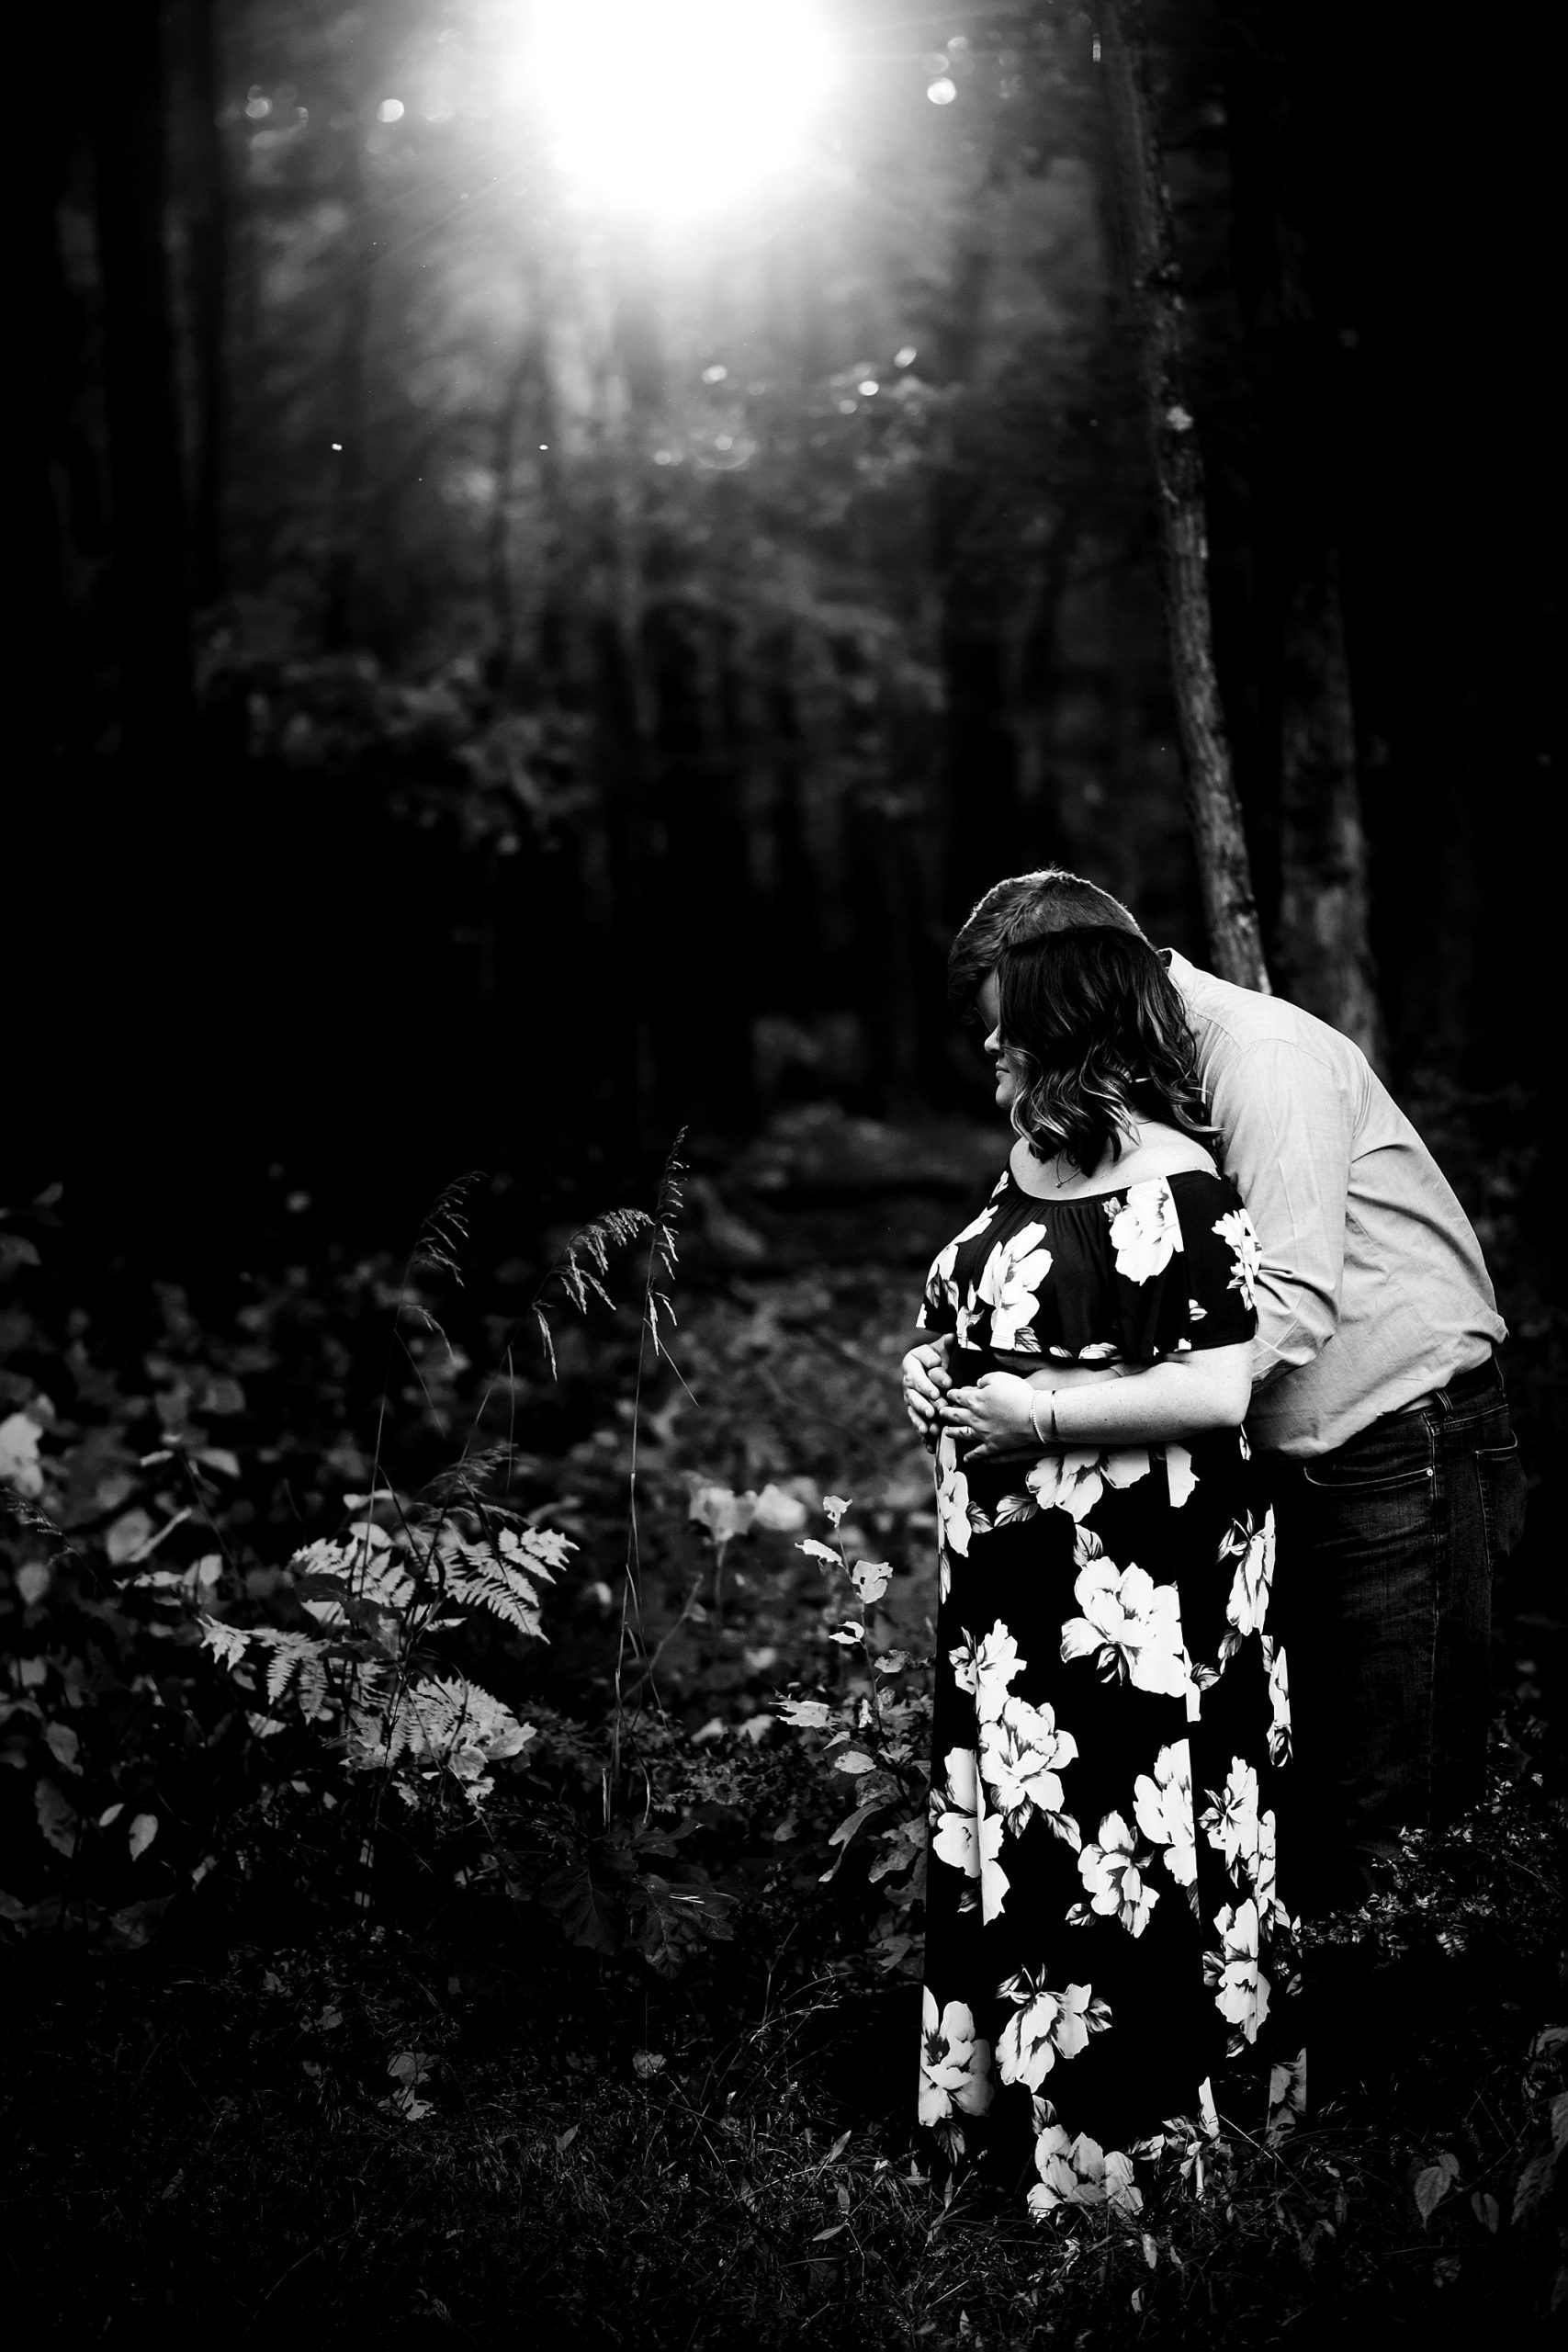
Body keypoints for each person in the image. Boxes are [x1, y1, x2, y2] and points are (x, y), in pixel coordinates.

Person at [907, 866, 1526, 1920]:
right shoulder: (1114, 1078)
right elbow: (1081, 1263)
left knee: (1391, 1802)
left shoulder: (1261, 1060)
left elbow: (1277, 1307)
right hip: (1256, 1464)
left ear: (1083, 985)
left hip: (1392, 1437)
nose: (1006, 1066)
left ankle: (1429, 2076)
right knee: (1285, 1786)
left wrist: (1062, 1401)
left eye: (1019, 1033)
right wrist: (963, 1357)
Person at [909, 923, 1292, 2208]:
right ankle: (1006, 2104)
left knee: (1119, 1833)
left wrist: (1039, 1421)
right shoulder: (1027, 1161)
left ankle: (1129, 2148)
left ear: (1075, 1029)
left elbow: (1217, 1384)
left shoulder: (1180, 1186)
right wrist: (934, 1373)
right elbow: (980, 1308)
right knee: (1024, 1822)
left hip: (1137, 1584)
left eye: (1011, 1018)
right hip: (1010, 1588)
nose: (989, 1041)